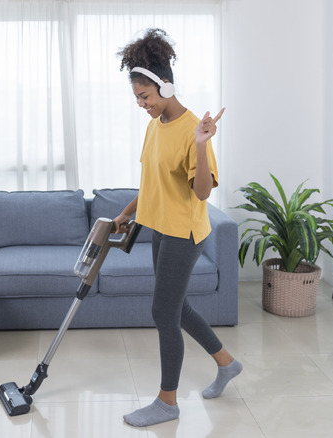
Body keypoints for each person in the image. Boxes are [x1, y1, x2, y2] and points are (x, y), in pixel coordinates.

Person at [113, 28, 242, 427]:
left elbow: (201, 192)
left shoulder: (192, 130)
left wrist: (202, 145)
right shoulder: (155, 127)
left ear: (165, 86)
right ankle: (227, 363)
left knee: (163, 311)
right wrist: (127, 212)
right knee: (177, 306)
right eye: (137, 98)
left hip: (184, 231)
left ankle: (167, 402)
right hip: (158, 226)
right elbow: (152, 182)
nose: (142, 104)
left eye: (145, 96)